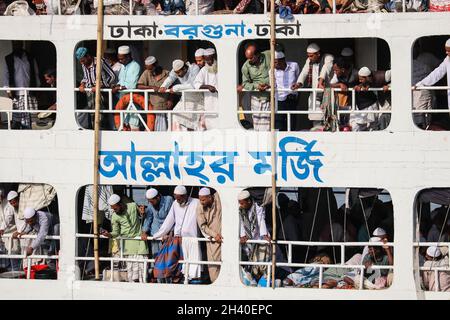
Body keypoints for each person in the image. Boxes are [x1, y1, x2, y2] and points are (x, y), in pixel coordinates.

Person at [153, 186, 202, 282]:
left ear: (185, 196)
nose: (178, 201)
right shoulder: (175, 204)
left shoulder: (196, 202)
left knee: (194, 266)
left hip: (193, 239)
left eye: (180, 198)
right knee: (179, 265)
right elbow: (169, 220)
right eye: (176, 198)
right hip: (178, 239)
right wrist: (157, 235)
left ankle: (193, 283)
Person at [101, 194, 149, 283]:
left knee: (143, 271)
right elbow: (116, 232)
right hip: (127, 244)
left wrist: (142, 212)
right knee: (131, 274)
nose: (114, 210)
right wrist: (109, 234)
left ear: (121, 204)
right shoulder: (114, 217)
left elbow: (143, 215)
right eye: (112, 208)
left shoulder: (133, 206)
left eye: (115, 208)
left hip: (140, 242)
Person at [291, 43, 334, 128]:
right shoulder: (309, 60)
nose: (309, 58)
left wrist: (321, 81)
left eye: (311, 56)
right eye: (308, 56)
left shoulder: (328, 57)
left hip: (327, 92)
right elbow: (304, 72)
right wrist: (298, 84)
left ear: (318, 54)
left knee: (329, 117)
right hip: (315, 93)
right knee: (315, 117)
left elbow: (325, 70)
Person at [3, 40, 40, 130]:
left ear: (21, 44)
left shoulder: (30, 57)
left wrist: (38, 88)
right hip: (16, 94)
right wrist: (8, 90)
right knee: (16, 120)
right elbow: (6, 75)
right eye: (14, 44)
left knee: (31, 119)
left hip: (30, 93)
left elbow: (36, 73)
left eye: (18, 43)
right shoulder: (9, 58)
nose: (16, 46)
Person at [76, 47, 116, 129]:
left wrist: (100, 85)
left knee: (101, 115)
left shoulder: (100, 62)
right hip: (90, 93)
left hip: (102, 93)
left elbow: (112, 76)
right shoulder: (84, 64)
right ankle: (93, 129)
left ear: (88, 56)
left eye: (83, 60)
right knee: (92, 114)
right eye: (80, 61)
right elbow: (86, 77)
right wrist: (82, 84)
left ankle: (103, 131)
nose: (82, 63)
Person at [159, 59, 202, 131]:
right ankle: (177, 138)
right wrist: (164, 86)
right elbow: (171, 78)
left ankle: (189, 138)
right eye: (176, 73)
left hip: (196, 99)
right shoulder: (176, 70)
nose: (178, 75)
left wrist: (176, 87)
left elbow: (193, 85)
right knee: (173, 116)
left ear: (184, 68)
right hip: (185, 97)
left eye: (179, 73)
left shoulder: (194, 68)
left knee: (191, 121)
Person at [238, 190, 271, 283]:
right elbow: (241, 222)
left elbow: (261, 220)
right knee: (249, 260)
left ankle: (263, 279)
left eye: (242, 203)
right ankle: (252, 279)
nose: (241, 205)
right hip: (248, 240)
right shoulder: (241, 209)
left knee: (261, 261)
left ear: (249, 201)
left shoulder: (258, 207)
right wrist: (242, 236)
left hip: (258, 238)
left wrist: (264, 234)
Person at [238, 42, 271, 131]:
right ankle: (261, 144)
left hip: (272, 96)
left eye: (251, 57)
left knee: (269, 124)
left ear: (258, 54)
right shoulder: (246, 66)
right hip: (257, 97)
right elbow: (245, 83)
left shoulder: (268, 55)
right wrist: (257, 86)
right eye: (247, 58)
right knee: (257, 124)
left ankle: (268, 144)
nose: (249, 60)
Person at [137, 56, 174, 131]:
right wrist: (152, 87)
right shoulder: (147, 72)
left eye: (151, 68)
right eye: (148, 69)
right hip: (152, 106)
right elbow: (139, 86)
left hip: (164, 105)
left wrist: (171, 100)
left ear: (156, 64)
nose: (150, 71)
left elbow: (173, 88)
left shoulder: (167, 73)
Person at [414, 39, 450, 114]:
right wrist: (420, 84)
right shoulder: (448, 59)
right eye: (446, 50)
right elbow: (437, 73)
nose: (446, 52)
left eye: (449, 50)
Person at [112, 46, 142, 131]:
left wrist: (119, 87)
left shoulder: (135, 66)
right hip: (122, 98)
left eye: (122, 59)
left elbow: (132, 84)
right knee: (123, 123)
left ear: (128, 56)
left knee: (133, 123)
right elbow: (121, 80)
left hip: (132, 99)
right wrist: (116, 85)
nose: (120, 61)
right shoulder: (123, 66)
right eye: (119, 59)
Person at [196, 187, 222, 283]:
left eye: (203, 200)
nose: (201, 202)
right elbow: (202, 226)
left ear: (210, 197)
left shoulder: (218, 198)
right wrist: (214, 235)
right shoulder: (199, 207)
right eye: (200, 200)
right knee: (213, 265)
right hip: (213, 240)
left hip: (227, 237)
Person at [412, 45, 441, 128]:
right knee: (424, 119)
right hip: (423, 92)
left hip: (420, 93)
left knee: (420, 119)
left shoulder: (426, 58)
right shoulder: (425, 66)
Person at [140, 188, 174, 259]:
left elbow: (173, 218)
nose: (151, 204)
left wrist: (169, 233)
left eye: (152, 202)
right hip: (155, 233)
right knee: (156, 257)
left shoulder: (169, 200)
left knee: (168, 257)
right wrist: (144, 232)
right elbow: (148, 218)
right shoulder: (150, 204)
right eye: (149, 202)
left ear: (158, 197)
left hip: (167, 234)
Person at [272, 50, 299, 131]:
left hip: (292, 98)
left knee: (291, 121)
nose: (274, 64)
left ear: (283, 60)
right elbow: (273, 85)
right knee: (279, 122)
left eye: (276, 62)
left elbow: (298, 79)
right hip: (279, 99)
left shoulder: (294, 66)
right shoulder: (272, 71)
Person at [329, 57, 359, 128]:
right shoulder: (337, 75)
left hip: (359, 105)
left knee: (355, 126)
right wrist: (339, 84)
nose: (335, 72)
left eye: (336, 70)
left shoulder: (356, 73)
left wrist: (360, 85)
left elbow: (368, 79)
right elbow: (330, 85)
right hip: (347, 104)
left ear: (342, 70)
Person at [194, 48, 219, 130]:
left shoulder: (222, 67)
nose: (209, 62)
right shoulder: (204, 70)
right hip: (210, 101)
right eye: (207, 60)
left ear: (214, 57)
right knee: (210, 123)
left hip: (222, 101)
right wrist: (208, 86)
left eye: (210, 60)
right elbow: (196, 84)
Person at [350, 67, 379, 131]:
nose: (360, 81)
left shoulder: (376, 80)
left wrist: (369, 85)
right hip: (362, 106)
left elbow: (374, 84)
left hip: (371, 105)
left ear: (367, 78)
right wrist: (359, 86)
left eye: (361, 79)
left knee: (373, 125)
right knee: (357, 126)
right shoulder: (358, 82)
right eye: (359, 79)